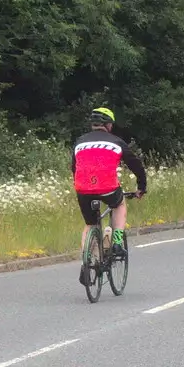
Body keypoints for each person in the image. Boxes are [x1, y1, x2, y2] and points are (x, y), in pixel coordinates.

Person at [72, 107, 147, 283]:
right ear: (108, 125)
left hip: (83, 187)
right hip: (108, 187)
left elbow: (74, 167)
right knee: (119, 206)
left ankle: (86, 262)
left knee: (90, 224)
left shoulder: (79, 142)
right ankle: (118, 242)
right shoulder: (117, 142)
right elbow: (136, 165)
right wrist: (141, 187)